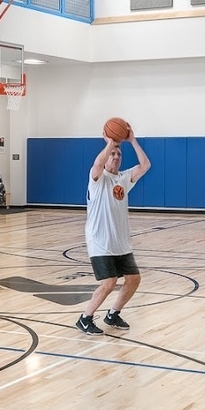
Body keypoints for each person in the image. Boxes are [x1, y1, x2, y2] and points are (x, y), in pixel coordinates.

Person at [76, 127, 151, 335]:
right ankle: (85, 318)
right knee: (109, 282)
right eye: (113, 154)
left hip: (120, 242)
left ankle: (113, 314)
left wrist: (132, 141)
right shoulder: (97, 178)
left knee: (134, 279)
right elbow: (98, 164)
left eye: (119, 154)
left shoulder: (125, 178)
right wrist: (111, 142)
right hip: (100, 241)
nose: (116, 156)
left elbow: (145, 165)